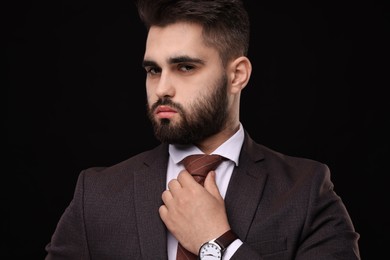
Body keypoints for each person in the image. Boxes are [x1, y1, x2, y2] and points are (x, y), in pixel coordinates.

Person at [44, 0, 361, 259]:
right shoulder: (98, 195)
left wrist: (220, 243)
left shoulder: (305, 191)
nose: (162, 88)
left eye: (185, 67)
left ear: (237, 75)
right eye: (154, 70)